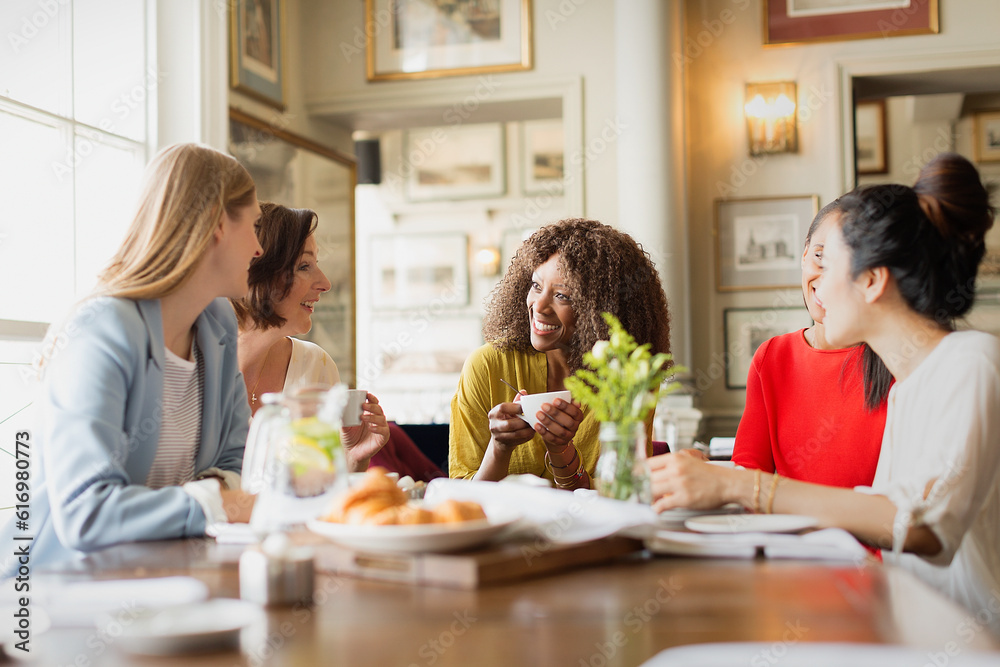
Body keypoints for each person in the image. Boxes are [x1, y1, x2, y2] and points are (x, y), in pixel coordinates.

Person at [651, 153, 999, 634]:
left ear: (873, 280)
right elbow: (878, 518)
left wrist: (738, 485)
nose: (814, 287)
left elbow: (922, 528)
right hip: (909, 633)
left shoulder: (972, 363)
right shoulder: (910, 389)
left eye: (826, 262)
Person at [0, 144, 262, 573]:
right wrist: (219, 503)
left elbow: (234, 462)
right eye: (253, 225)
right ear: (217, 223)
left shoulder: (216, 325)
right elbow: (87, 512)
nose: (258, 247)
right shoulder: (102, 330)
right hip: (49, 595)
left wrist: (218, 498)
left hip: (156, 583)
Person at [449, 218, 672, 489]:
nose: (539, 305)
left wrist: (561, 450)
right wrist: (499, 447)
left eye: (563, 296)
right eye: (536, 285)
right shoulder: (487, 366)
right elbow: (463, 497)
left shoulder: (626, 377)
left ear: (603, 309)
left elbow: (621, 496)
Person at [732, 199, 893, 487]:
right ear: (804, 255)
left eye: (844, 265)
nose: (827, 279)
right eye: (819, 256)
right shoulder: (772, 357)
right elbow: (748, 475)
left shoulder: (894, 358)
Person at [231, 202, 390, 473]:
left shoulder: (315, 365)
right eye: (304, 266)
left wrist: (353, 459)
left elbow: (323, 499)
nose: (325, 283)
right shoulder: (194, 367)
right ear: (258, 273)